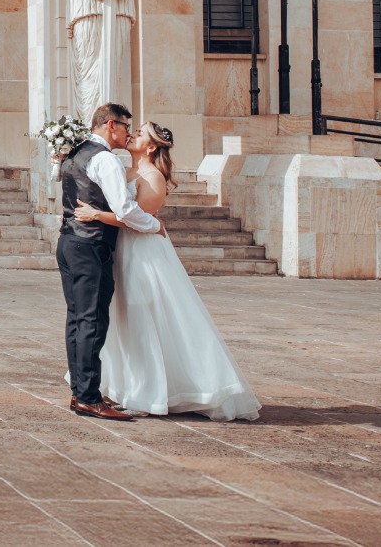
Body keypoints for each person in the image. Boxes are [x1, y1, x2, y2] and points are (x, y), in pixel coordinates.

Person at [74, 122, 262, 421]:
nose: (132, 134)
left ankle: (148, 392)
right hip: (119, 250)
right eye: (133, 130)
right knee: (122, 318)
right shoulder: (123, 171)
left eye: (140, 134)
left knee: (143, 318)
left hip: (142, 253)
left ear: (150, 147)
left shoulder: (153, 177)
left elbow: (137, 219)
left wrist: (97, 215)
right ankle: (121, 385)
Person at [56, 102, 164, 421]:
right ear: (110, 126)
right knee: (92, 320)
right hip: (91, 245)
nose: (128, 133)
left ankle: (83, 391)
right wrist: (154, 225)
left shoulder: (75, 153)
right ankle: (88, 397)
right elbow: (125, 209)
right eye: (126, 127)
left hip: (68, 242)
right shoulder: (106, 159)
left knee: (77, 319)